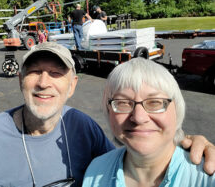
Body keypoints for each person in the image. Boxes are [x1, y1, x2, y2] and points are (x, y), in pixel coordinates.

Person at [0, 42, 215, 187]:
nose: (44, 82)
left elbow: (138, 149)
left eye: (56, 73)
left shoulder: (82, 128)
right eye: (35, 71)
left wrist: (180, 140)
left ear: (72, 86)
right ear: (20, 80)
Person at [82, 58, 215, 187]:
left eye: (154, 102)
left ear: (176, 109)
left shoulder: (208, 177)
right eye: (123, 103)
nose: (139, 117)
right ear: (108, 111)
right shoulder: (96, 170)